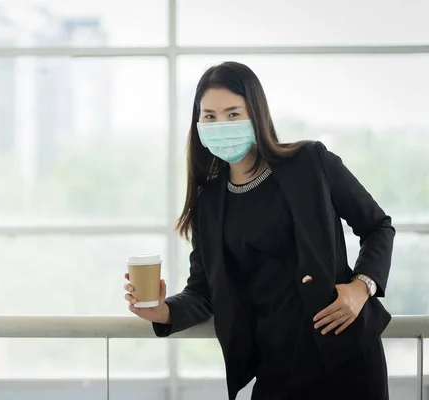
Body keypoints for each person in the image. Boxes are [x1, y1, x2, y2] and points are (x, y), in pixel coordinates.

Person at [123, 61, 395, 400]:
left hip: (346, 356)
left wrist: (361, 286)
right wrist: (161, 312)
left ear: (256, 113)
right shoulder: (209, 201)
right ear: (198, 124)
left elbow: (377, 226)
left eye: (233, 114)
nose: (221, 124)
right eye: (209, 116)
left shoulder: (310, 162)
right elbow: (204, 291)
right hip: (275, 369)